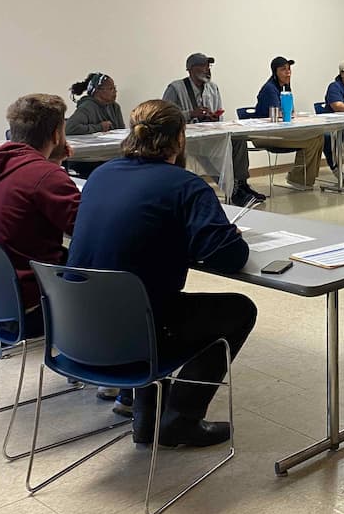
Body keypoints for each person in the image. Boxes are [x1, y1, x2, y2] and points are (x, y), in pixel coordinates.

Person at [66, 100, 257, 447]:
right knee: (239, 310)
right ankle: (181, 419)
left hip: (74, 328)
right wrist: (227, 234)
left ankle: (144, 413)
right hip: (137, 333)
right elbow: (229, 257)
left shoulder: (100, 175)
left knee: (146, 297)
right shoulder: (185, 185)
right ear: (180, 140)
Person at [0, 94, 81, 345]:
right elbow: (86, 229)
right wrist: (55, 169)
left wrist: (53, 163)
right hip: (31, 305)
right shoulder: (44, 176)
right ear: (57, 134)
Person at [162, 52, 266, 207]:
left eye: (208, 66)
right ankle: (233, 191)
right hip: (187, 137)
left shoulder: (213, 87)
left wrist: (213, 117)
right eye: (203, 66)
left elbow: (219, 113)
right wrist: (190, 113)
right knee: (214, 150)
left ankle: (241, 184)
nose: (207, 69)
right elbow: (165, 116)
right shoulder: (176, 88)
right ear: (191, 69)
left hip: (210, 132)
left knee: (238, 139)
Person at [252, 56, 324, 190]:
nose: (288, 72)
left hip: (280, 132)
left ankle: (306, 179)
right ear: (275, 72)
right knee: (311, 141)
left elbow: (290, 112)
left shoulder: (285, 88)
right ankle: (298, 179)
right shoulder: (270, 88)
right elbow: (280, 113)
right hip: (263, 135)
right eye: (283, 69)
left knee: (319, 137)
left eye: (289, 69)